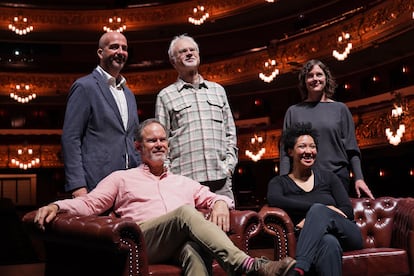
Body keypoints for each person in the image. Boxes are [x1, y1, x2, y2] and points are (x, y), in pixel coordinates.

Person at [34, 118, 296, 276]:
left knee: (193, 250)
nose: (159, 144)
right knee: (185, 213)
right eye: (151, 141)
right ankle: (247, 265)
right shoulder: (121, 178)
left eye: (162, 140)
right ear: (138, 147)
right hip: (143, 241)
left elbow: (215, 198)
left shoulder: (183, 182)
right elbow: (89, 203)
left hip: (174, 243)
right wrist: (57, 205)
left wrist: (218, 202)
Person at [267, 122, 363, 276]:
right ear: (290, 151)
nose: (309, 151)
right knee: (329, 242)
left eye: (312, 146)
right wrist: (318, 212)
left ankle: (298, 268)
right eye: (302, 146)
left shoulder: (329, 177)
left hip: (348, 234)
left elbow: (347, 211)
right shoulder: (279, 183)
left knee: (318, 210)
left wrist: (319, 214)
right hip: (314, 239)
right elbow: (274, 200)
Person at [155, 34, 238, 201]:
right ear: (173, 61)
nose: (189, 53)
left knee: (225, 226)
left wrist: (229, 166)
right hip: (184, 182)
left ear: (198, 55)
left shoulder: (218, 90)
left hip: (220, 179)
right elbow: (161, 141)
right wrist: (169, 174)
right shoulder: (165, 96)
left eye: (192, 50)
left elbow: (230, 132)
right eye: (182, 51)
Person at [279, 59, 374, 199]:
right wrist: (283, 182)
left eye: (319, 74)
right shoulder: (293, 111)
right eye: (310, 75)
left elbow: (352, 148)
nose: (315, 79)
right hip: (302, 179)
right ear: (304, 81)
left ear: (326, 78)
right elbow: (285, 153)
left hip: (337, 177)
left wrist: (359, 178)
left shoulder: (340, 109)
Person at [61, 31, 140, 198]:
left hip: (130, 185)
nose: (120, 52)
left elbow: (132, 140)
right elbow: (71, 138)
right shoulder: (85, 87)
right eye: (114, 47)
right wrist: (78, 186)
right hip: (95, 183)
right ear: (100, 52)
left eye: (124, 48)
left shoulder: (129, 94)